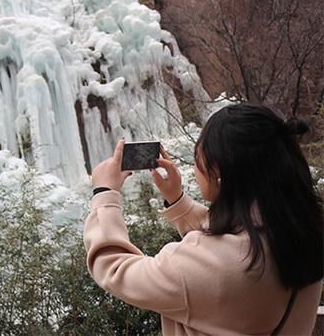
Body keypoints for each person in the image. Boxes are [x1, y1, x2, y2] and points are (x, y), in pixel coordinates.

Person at [84, 103, 323, 335]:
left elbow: (114, 267)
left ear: (217, 171)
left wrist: (104, 194)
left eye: (198, 155)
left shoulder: (210, 268)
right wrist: (178, 201)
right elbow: (231, 242)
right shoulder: (303, 230)